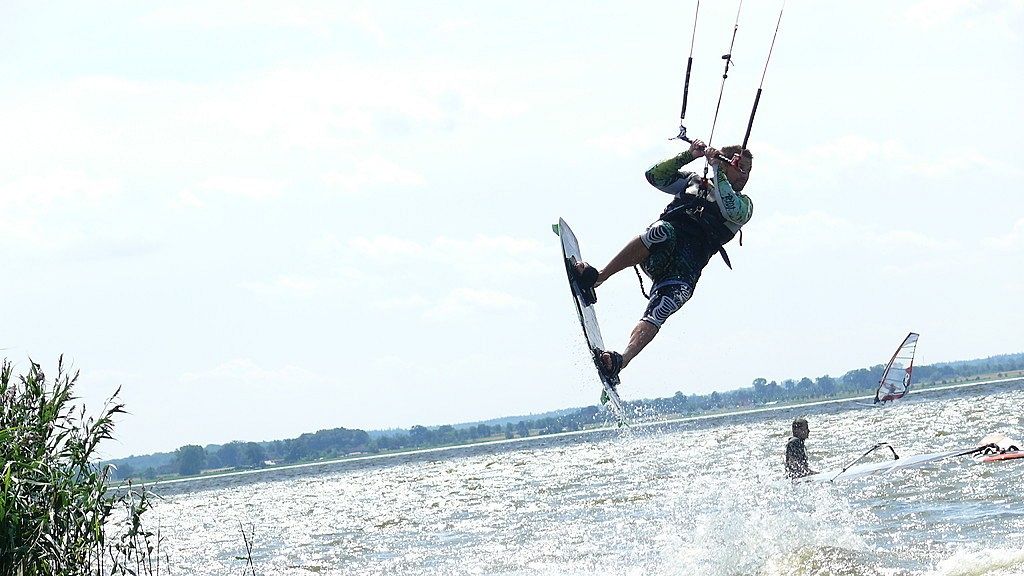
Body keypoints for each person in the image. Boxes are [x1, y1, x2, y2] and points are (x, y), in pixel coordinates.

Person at [574, 139, 753, 379]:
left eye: (748, 171)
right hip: (660, 249)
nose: (745, 176)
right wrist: (689, 155)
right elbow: (654, 176)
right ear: (725, 162)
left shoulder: (744, 205)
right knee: (659, 231)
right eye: (740, 168)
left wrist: (717, 169)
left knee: (663, 308)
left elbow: (729, 206)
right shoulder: (693, 182)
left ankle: (620, 361)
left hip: (684, 272)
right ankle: (598, 279)